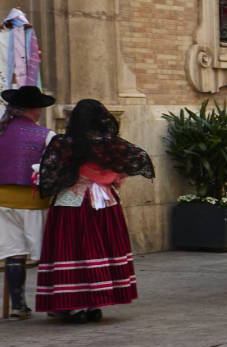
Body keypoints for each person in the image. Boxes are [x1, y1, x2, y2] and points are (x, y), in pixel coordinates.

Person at [34, 98, 153, 321]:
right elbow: (138, 158)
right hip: (103, 203)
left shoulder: (63, 143)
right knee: (99, 250)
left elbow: (50, 174)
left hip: (71, 203)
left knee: (71, 250)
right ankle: (94, 304)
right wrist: (111, 176)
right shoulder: (110, 144)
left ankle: (73, 305)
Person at [0, 85, 54, 318]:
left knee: (15, 253)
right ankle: (53, 304)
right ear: (36, 109)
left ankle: (17, 305)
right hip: (33, 202)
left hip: (2, 201)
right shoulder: (46, 136)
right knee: (46, 254)